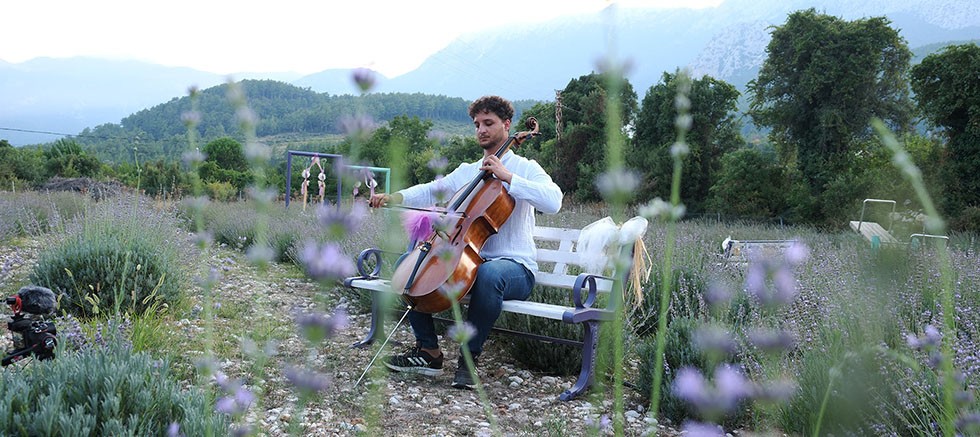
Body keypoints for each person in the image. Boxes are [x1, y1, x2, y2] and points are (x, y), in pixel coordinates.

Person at [368, 95, 563, 389]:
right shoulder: (468, 170)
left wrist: (508, 176)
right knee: (408, 266)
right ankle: (428, 352)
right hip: (468, 261)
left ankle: (469, 362)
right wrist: (397, 197)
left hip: (515, 268)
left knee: (489, 274)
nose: (481, 130)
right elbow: (433, 189)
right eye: (477, 124)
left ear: (507, 125)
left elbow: (554, 201)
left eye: (488, 123)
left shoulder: (525, 167)